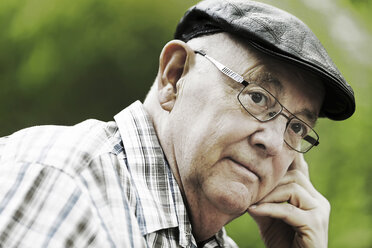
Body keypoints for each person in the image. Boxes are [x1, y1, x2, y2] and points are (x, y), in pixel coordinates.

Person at [0, 0, 355, 247]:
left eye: (297, 127)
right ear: (174, 76)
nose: (275, 143)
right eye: (258, 96)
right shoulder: (67, 184)